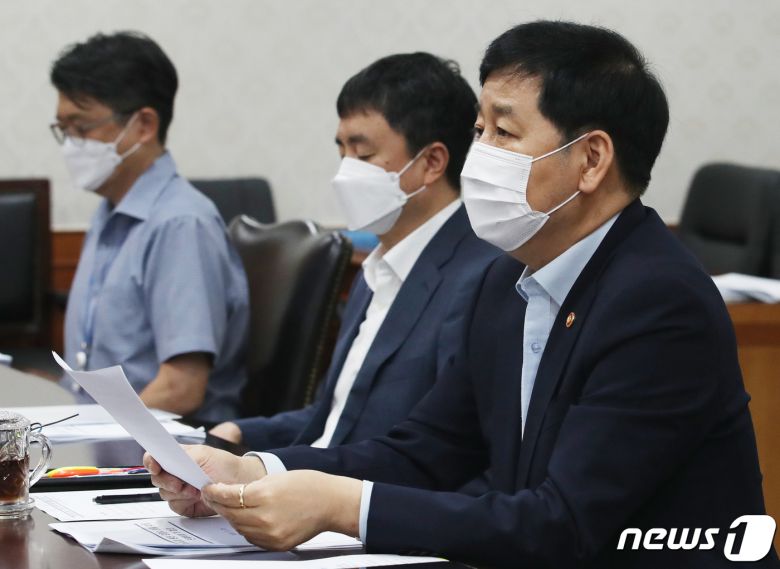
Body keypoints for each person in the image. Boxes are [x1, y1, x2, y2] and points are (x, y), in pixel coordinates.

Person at [147, 21, 777, 568]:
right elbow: (429, 450)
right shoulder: (504, 280)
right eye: (479, 129)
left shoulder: (658, 302)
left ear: (590, 160)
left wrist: (343, 507)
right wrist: (254, 469)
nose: (479, 156)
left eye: (504, 132)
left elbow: (564, 523)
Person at [210, 52, 500, 450]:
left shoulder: (482, 279)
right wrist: (239, 433)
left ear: (432, 162)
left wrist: (279, 470)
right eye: (342, 152)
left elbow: (434, 452)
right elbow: (335, 417)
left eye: (362, 155)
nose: (346, 172)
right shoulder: (375, 270)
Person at [52, 32, 249, 422]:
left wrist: (82, 434)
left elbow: (181, 388)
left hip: (166, 445)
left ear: (143, 125)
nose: (70, 144)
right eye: (63, 129)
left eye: (82, 127)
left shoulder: (181, 225)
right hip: (104, 433)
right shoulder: (109, 212)